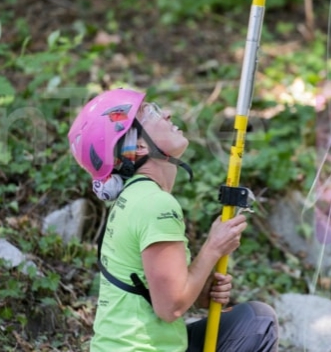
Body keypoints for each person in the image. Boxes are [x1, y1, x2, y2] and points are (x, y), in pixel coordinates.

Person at [68, 88, 279, 352]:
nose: (167, 113)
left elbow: (154, 291)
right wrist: (213, 248)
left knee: (252, 320)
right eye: (152, 113)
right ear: (139, 144)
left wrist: (200, 290)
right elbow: (171, 307)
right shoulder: (154, 204)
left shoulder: (137, 196)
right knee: (259, 323)